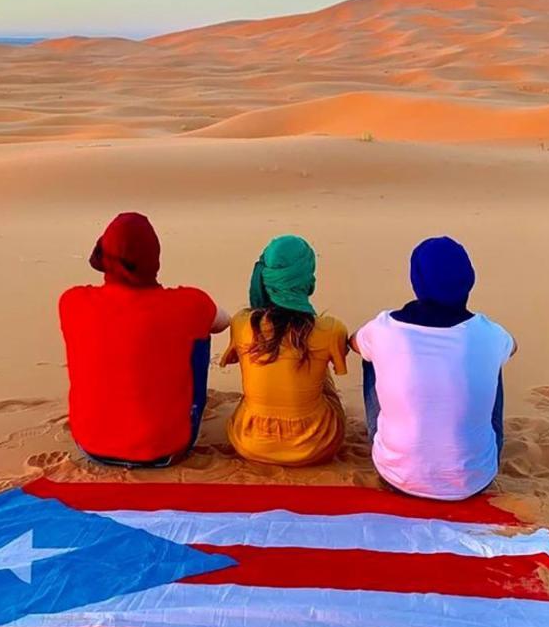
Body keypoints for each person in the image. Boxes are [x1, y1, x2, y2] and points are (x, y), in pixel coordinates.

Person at [350, 236, 516, 500]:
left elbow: (354, 342)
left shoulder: (385, 328)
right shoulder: (489, 332)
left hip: (395, 475)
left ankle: (394, 437)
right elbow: (513, 346)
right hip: (475, 479)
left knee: (371, 354)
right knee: (494, 356)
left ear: (416, 281)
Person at [59, 212, 230, 467]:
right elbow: (224, 322)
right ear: (155, 258)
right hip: (167, 448)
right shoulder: (190, 303)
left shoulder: (71, 302)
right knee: (198, 334)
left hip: (91, 444)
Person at [221, 235, 349, 466]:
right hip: (317, 445)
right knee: (318, 369)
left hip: (249, 442)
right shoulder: (332, 329)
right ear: (307, 279)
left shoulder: (242, 323)